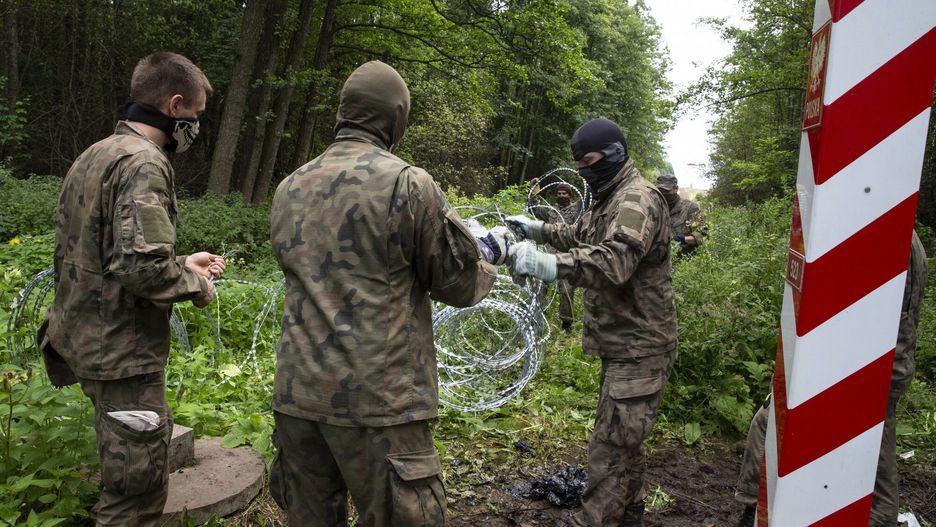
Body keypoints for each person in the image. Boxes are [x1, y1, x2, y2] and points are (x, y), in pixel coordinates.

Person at [268, 60, 505, 526]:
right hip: (379, 402)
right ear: (396, 118)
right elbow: (457, 284)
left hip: (299, 396)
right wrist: (489, 254)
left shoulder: (289, 186)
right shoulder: (407, 183)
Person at [41, 52, 224, 525]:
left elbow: (100, 251)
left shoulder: (97, 153)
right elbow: (142, 271)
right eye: (197, 116)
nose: (196, 128)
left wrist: (180, 260)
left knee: (122, 479)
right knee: (134, 499)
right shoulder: (144, 163)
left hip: (83, 337)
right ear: (175, 104)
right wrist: (196, 284)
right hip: (122, 353)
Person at [507, 118, 677, 527]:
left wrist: (546, 264)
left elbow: (615, 261)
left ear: (614, 152)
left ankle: (593, 520)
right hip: (624, 343)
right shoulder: (609, 196)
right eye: (578, 164)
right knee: (625, 439)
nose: (584, 171)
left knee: (610, 446)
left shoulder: (636, 200)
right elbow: (581, 234)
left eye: (589, 161)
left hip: (640, 346)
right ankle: (630, 514)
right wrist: (540, 231)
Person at [734, 230, 928, 527]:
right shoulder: (898, 231)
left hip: (861, 367)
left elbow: (851, 307)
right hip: (874, 365)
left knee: (771, 424)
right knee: (871, 453)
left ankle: (754, 511)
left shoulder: (882, 231)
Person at [529, 183, 582, 332]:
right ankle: (535, 316)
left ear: (570, 195)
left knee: (566, 290)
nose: (561, 196)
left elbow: (590, 199)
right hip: (549, 255)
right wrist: (533, 193)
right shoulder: (550, 211)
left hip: (567, 256)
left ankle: (567, 324)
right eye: (559, 193)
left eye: (565, 194)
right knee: (540, 287)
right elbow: (533, 209)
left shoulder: (577, 209)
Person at [656, 174, 706, 254]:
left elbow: (703, 236)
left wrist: (683, 239)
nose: (663, 194)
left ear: (676, 189)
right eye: (660, 191)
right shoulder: (654, 207)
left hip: (683, 261)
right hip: (657, 261)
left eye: (666, 191)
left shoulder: (692, 208)